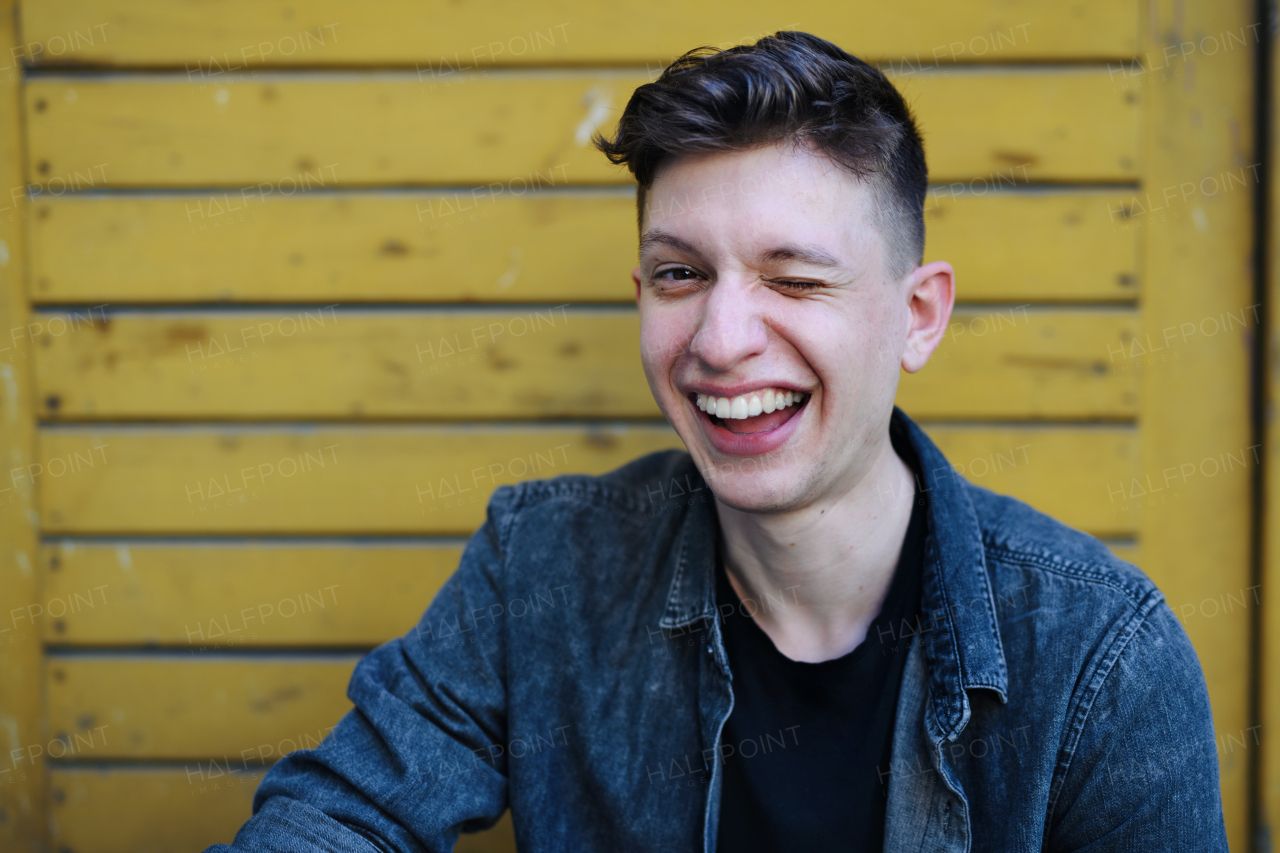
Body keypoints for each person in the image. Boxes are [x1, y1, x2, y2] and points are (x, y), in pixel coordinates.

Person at [209, 30, 1226, 852]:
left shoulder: (1100, 655)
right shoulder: (541, 569)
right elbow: (341, 815)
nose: (719, 340)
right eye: (679, 275)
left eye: (792, 278)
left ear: (917, 315)